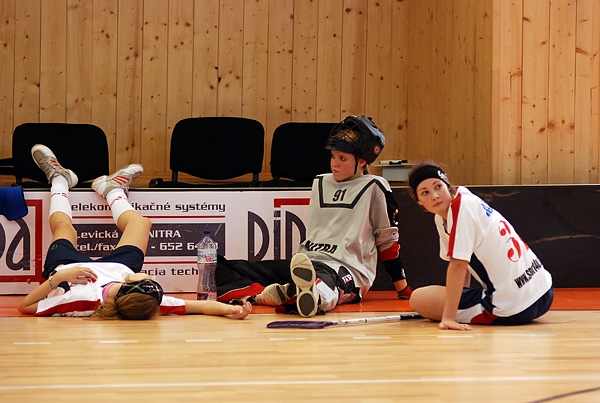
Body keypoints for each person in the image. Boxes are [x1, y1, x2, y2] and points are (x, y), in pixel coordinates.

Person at [18, 144, 251, 320]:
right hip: (118, 269)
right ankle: (113, 190)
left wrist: (58, 278)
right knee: (141, 223)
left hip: (70, 269)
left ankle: (59, 180)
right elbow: (201, 306)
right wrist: (231, 310)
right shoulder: (149, 300)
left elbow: (25, 306)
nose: (151, 277)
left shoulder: (80, 300)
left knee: (64, 228)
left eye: (148, 279)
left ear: (132, 286)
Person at [216, 115, 412, 317]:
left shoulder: (375, 187)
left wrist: (403, 288)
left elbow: (388, 243)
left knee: (324, 284)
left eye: (342, 159)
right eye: (333, 157)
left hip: (345, 269)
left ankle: (309, 295)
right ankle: (268, 295)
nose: (334, 164)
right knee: (219, 266)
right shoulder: (320, 181)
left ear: (362, 161)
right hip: (306, 262)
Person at [407, 161, 554, 330]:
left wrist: (448, 317)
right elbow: (463, 264)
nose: (434, 196)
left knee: (418, 299)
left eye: (438, 187)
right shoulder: (462, 202)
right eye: (425, 193)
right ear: (419, 201)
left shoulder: (461, 209)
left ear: (448, 186)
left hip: (514, 306)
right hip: (544, 291)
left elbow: (458, 265)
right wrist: (461, 301)